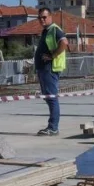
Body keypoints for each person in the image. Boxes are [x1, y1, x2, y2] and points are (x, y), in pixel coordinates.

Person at [35, 7, 68, 135]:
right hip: (44, 69)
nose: (42, 20)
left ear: (50, 17)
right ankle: (52, 126)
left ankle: (53, 127)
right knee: (48, 97)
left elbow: (64, 43)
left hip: (50, 68)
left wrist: (52, 55)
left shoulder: (55, 29)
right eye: (40, 18)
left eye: (44, 17)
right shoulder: (47, 31)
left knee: (52, 97)